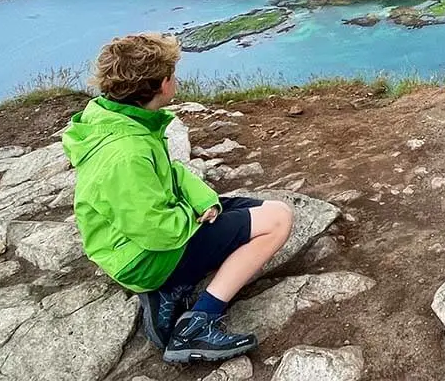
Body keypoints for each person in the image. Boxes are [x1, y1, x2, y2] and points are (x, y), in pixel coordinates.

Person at [62, 32, 294, 363]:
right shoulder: (125, 153)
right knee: (278, 220)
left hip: (145, 240)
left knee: (257, 209)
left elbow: (170, 173)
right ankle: (196, 326)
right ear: (160, 84)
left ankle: (170, 290)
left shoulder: (119, 122)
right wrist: (191, 217)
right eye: (172, 73)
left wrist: (204, 201)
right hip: (144, 257)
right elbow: (156, 229)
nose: (176, 79)